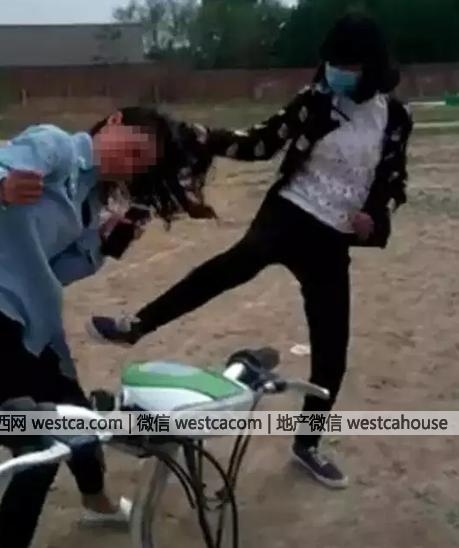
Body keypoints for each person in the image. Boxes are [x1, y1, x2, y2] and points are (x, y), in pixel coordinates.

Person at [87, 12, 414, 490]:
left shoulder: (395, 119)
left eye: (346, 66)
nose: (334, 73)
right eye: (330, 63)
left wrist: (375, 216)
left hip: (332, 239)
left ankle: (307, 445)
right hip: (289, 212)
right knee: (231, 267)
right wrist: (202, 135)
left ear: (371, 67)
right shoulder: (315, 102)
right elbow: (260, 143)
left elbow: (394, 182)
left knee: (332, 351)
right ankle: (135, 325)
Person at [0, 106, 215, 548]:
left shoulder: (92, 204)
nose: (129, 164)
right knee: (39, 447)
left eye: (140, 165)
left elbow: (60, 270)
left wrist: (104, 245)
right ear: (114, 121)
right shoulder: (56, 147)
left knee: (79, 418)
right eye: (134, 150)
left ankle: (96, 503)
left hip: (35, 328)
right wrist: (1, 185)